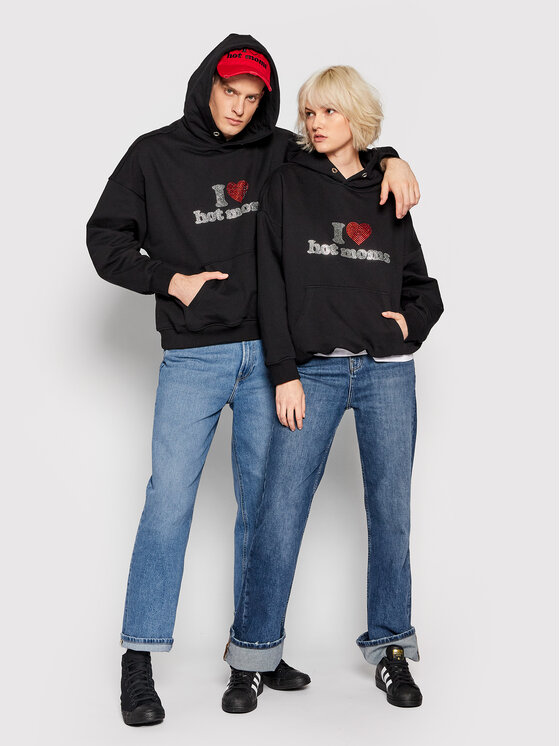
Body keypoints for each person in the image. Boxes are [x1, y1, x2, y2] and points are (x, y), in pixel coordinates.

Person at [86, 36, 420, 726]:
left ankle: (256, 652)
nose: (238, 108)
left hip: (272, 355)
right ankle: (139, 656)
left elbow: (345, 157)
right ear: (206, 87)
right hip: (195, 356)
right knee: (169, 501)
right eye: (228, 92)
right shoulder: (153, 154)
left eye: (251, 98)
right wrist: (168, 279)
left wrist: (393, 158)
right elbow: (105, 237)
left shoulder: (280, 152)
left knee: (263, 508)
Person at [223, 65, 443, 713]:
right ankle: (252, 655)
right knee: (279, 509)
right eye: (309, 112)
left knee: (390, 512)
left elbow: (423, 288)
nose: (315, 123)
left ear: (356, 117)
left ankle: (392, 648)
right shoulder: (286, 182)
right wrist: (284, 372)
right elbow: (269, 285)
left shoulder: (385, 189)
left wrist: (409, 325)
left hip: (386, 373)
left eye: (329, 112)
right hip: (312, 372)